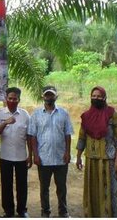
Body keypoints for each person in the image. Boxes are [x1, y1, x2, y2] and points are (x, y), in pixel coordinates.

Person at [76, 86, 117, 217]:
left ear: (104, 97)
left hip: (109, 159)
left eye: (99, 96)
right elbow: (82, 137)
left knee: (110, 190)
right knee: (93, 190)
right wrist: (78, 157)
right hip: (91, 159)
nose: (96, 98)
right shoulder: (86, 116)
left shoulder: (112, 114)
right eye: (93, 96)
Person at [28, 86, 74, 219]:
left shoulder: (64, 113)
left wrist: (67, 152)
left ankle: (63, 211)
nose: (49, 98)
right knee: (44, 188)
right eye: (47, 95)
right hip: (43, 158)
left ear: (56, 97)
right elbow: (33, 137)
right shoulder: (36, 115)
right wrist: (35, 155)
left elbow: (67, 134)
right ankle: (45, 211)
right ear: (43, 97)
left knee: (61, 187)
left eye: (51, 95)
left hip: (60, 158)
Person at [0, 87, 32, 218]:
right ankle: (8, 210)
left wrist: (30, 155)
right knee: (6, 184)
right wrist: (6, 123)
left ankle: (22, 210)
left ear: (19, 100)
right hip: (5, 156)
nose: (12, 100)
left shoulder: (25, 114)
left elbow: (29, 136)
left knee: (22, 185)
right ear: (6, 99)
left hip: (21, 156)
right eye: (10, 98)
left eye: (15, 99)